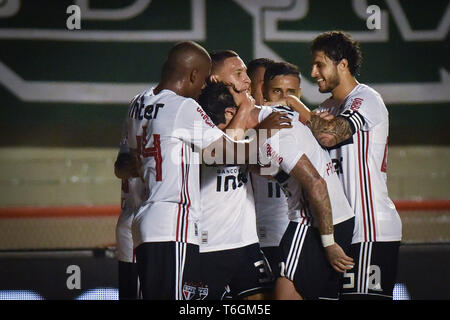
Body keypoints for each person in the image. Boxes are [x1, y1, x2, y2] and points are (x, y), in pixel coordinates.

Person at [122, 41, 255, 300]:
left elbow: (122, 166)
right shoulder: (183, 107)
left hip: (142, 220)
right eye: (205, 80)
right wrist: (264, 147)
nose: (205, 87)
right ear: (194, 75)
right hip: (173, 219)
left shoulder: (137, 103)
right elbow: (223, 152)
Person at [201, 82, 355, 300]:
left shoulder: (274, 135)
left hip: (314, 224)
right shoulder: (273, 116)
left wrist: (328, 243)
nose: (226, 136)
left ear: (230, 114)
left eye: (223, 129)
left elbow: (316, 183)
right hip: (335, 218)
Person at [292, 31, 402, 299]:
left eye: (320, 64)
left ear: (342, 64)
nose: (314, 72)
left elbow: (330, 134)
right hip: (337, 232)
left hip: (369, 229)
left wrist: (295, 104)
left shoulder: (366, 99)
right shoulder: (325, 107)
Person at [197, 82, 280, 300]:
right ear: (230, 111)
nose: (247, 85)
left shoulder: (245, 136)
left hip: (245, 243)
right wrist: (257, 126)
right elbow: (226, 153)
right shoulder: (201, 136)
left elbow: (269, 171)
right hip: (208, 244)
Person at [248, 61, 303, 297]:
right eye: (273, 90)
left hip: (290, 234)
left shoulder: (302, 124)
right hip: (253, 238)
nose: (282, 98)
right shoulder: (242, 126)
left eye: (289, 92)